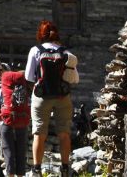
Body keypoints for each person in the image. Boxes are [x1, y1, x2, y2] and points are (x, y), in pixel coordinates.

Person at [25, 21, 79, 177]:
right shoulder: (66, 53)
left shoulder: (35, 50)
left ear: (40, 35)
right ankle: (65, 169)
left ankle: (36, 170)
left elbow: (29, 76)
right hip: (63, 96)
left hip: (41, 96)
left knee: (39, 134)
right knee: (64, 134)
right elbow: (75, 78)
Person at [0, 63, 32, 177]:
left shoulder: (2, 86)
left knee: (8, 150)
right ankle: (21, 175)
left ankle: (10, 175)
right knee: (21, 150)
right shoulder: (25, 85)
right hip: (22, 118)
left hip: (7, 119)